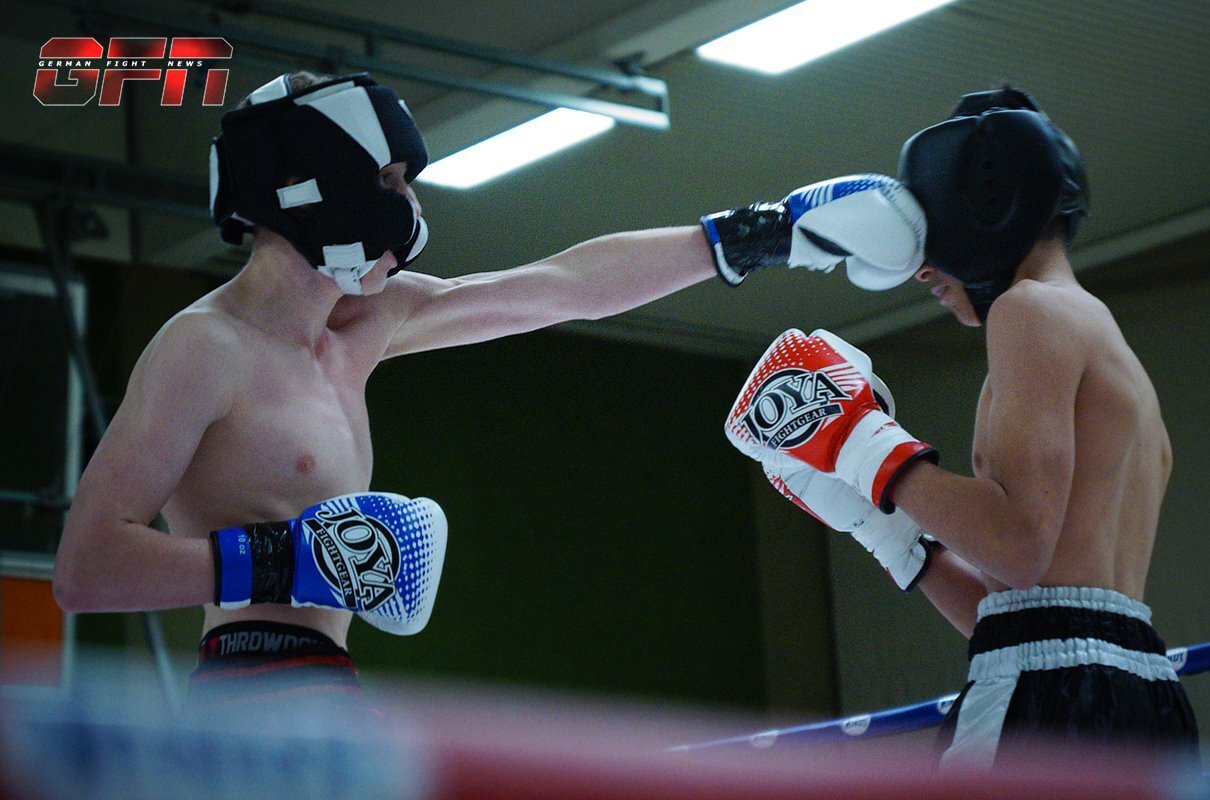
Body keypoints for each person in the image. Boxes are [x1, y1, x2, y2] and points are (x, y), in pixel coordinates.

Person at [52, 71, 925, 721]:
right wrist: (285, 562)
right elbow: (87, 568)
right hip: (241, 696)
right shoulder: (205, 347)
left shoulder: (369, 325)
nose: (409, 203)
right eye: (390, 179)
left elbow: (557, 287)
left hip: (334, 689)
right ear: (311, 184)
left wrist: (763, 236)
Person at [723, 87, 1198, 768]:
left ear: (985, 213)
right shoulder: (1111, 353)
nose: (919, 268)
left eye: (930, 233)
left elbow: (1015, 544)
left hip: (1049, 698)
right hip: (1145, 695)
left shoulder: (1028, 313)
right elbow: (1026, 610)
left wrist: (861, 443)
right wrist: (886, 528)